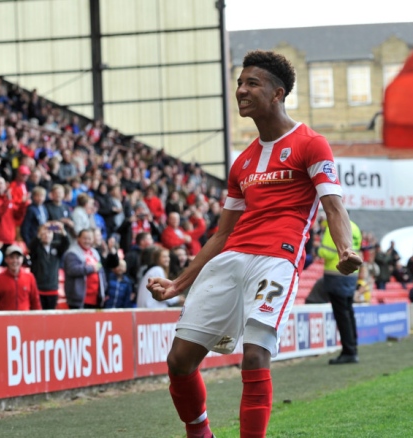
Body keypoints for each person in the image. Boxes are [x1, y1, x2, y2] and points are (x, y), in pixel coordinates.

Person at [146, 51, 362, 438]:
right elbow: (222, 233)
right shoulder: (242, 163)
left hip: (276, 262)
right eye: (240, 83)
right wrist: (179, 283)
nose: (241, 90)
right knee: (179, 361)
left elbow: (334, 206)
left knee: (254, 355)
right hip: (231, 259)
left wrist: (345, 249)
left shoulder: (311, 143)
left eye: (252, 83)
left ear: (278, 93)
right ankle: (200, 432)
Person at [319, 220, 362, 364]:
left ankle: (349, 351)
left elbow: (327, 252)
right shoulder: (355, 227)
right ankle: (353, 348)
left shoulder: (334, 225)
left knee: (342, 314)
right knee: (348, 312)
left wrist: (319, 250)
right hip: (352, 274)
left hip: (336, 273)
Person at [0, 245, 42, 311]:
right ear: (6, 260)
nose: (15, 261)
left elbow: (35, 301)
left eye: (17, 257)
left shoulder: (29, 277)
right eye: (11, 257)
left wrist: (39, 319)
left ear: (22, 259)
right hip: (6, 321)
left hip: (25, 320)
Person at [63, 228, 114, 309]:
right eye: (84, 238)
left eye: (89, 238)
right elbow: (72, 270)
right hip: (79, 299)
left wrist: (103, 290)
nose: (87, 241)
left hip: (96, 298)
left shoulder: (95, 253)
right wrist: (91, 268)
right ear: (78, 238)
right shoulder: (72, 253)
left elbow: (101, 271)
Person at [28, 221, 70, 310]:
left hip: (52, 288)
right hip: (38, 288)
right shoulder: (36, 247)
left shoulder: (56, 247)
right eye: (45, 232)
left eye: (49, 232)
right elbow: (32, 247)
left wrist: (62, 231)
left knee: (50, 316)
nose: (47, 235)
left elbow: (66, 244)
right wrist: (40, 233)